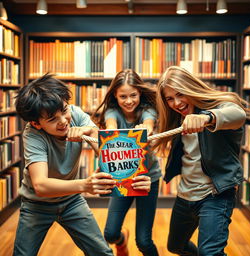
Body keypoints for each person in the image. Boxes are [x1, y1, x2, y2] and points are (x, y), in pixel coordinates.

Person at [13, 73, 117, 256]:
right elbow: (40, 185)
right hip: (36, 205)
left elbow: (107, 154)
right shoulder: (32, 135)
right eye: (52, 119)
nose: (63, 121)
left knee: (103, 253)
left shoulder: (75, 113)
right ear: (36, 123)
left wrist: (90, 131)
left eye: (64, 110)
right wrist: (85, 185)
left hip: (71, 200)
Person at [154, 66, 247, 256]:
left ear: (191, 88)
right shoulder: (178, 118)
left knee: (209, 253)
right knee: (175, 247)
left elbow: (238, 115)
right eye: (169, 98)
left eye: (180, 94)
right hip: (185, 195)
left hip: (216, 195)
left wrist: (207, 118)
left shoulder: (218, 108)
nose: (176, 103)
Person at [92, 69, 161, 256]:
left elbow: (149, 124)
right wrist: (112, 133)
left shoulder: (148, 110)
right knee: (110, 233)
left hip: (148, 179)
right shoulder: (112, 112)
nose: (129, 100)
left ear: (140, 93)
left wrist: (144, 130)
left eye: (133, 95)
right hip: (122, 177)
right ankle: (122, 240)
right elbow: (111, 126)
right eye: (123, 96)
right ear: (115, 94)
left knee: (144, 241)